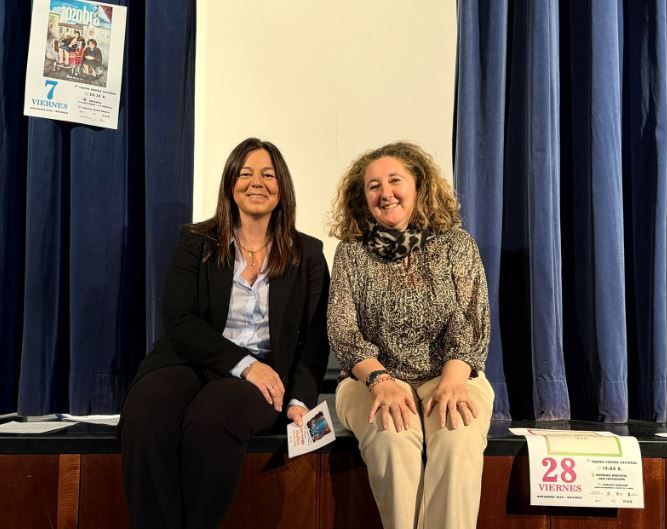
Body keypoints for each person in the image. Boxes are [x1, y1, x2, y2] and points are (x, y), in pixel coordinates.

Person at [120, 138, 329, 529]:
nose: (256, 182)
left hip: (263, 378)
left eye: (268, 175)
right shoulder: (196, 241)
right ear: (231, 184)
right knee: (146, 415)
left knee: (212, 418)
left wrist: (300, 398)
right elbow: (180, 319)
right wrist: (244, 364)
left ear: (282, 187)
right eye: (245, 173)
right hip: (188, 361)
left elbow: (315, 337)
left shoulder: (308, 254)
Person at [328, 141, 494, 529]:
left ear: (418, 185)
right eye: (373, 186)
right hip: (370, 379)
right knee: (391, 435)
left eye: (394, 180)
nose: (385, 192)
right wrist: (380, 380)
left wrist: (453, 381)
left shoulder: (456, 244)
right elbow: (342, 330)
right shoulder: (351, 253)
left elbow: (471, 321)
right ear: (363, 197)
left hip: (451, 373)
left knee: (457, 438)